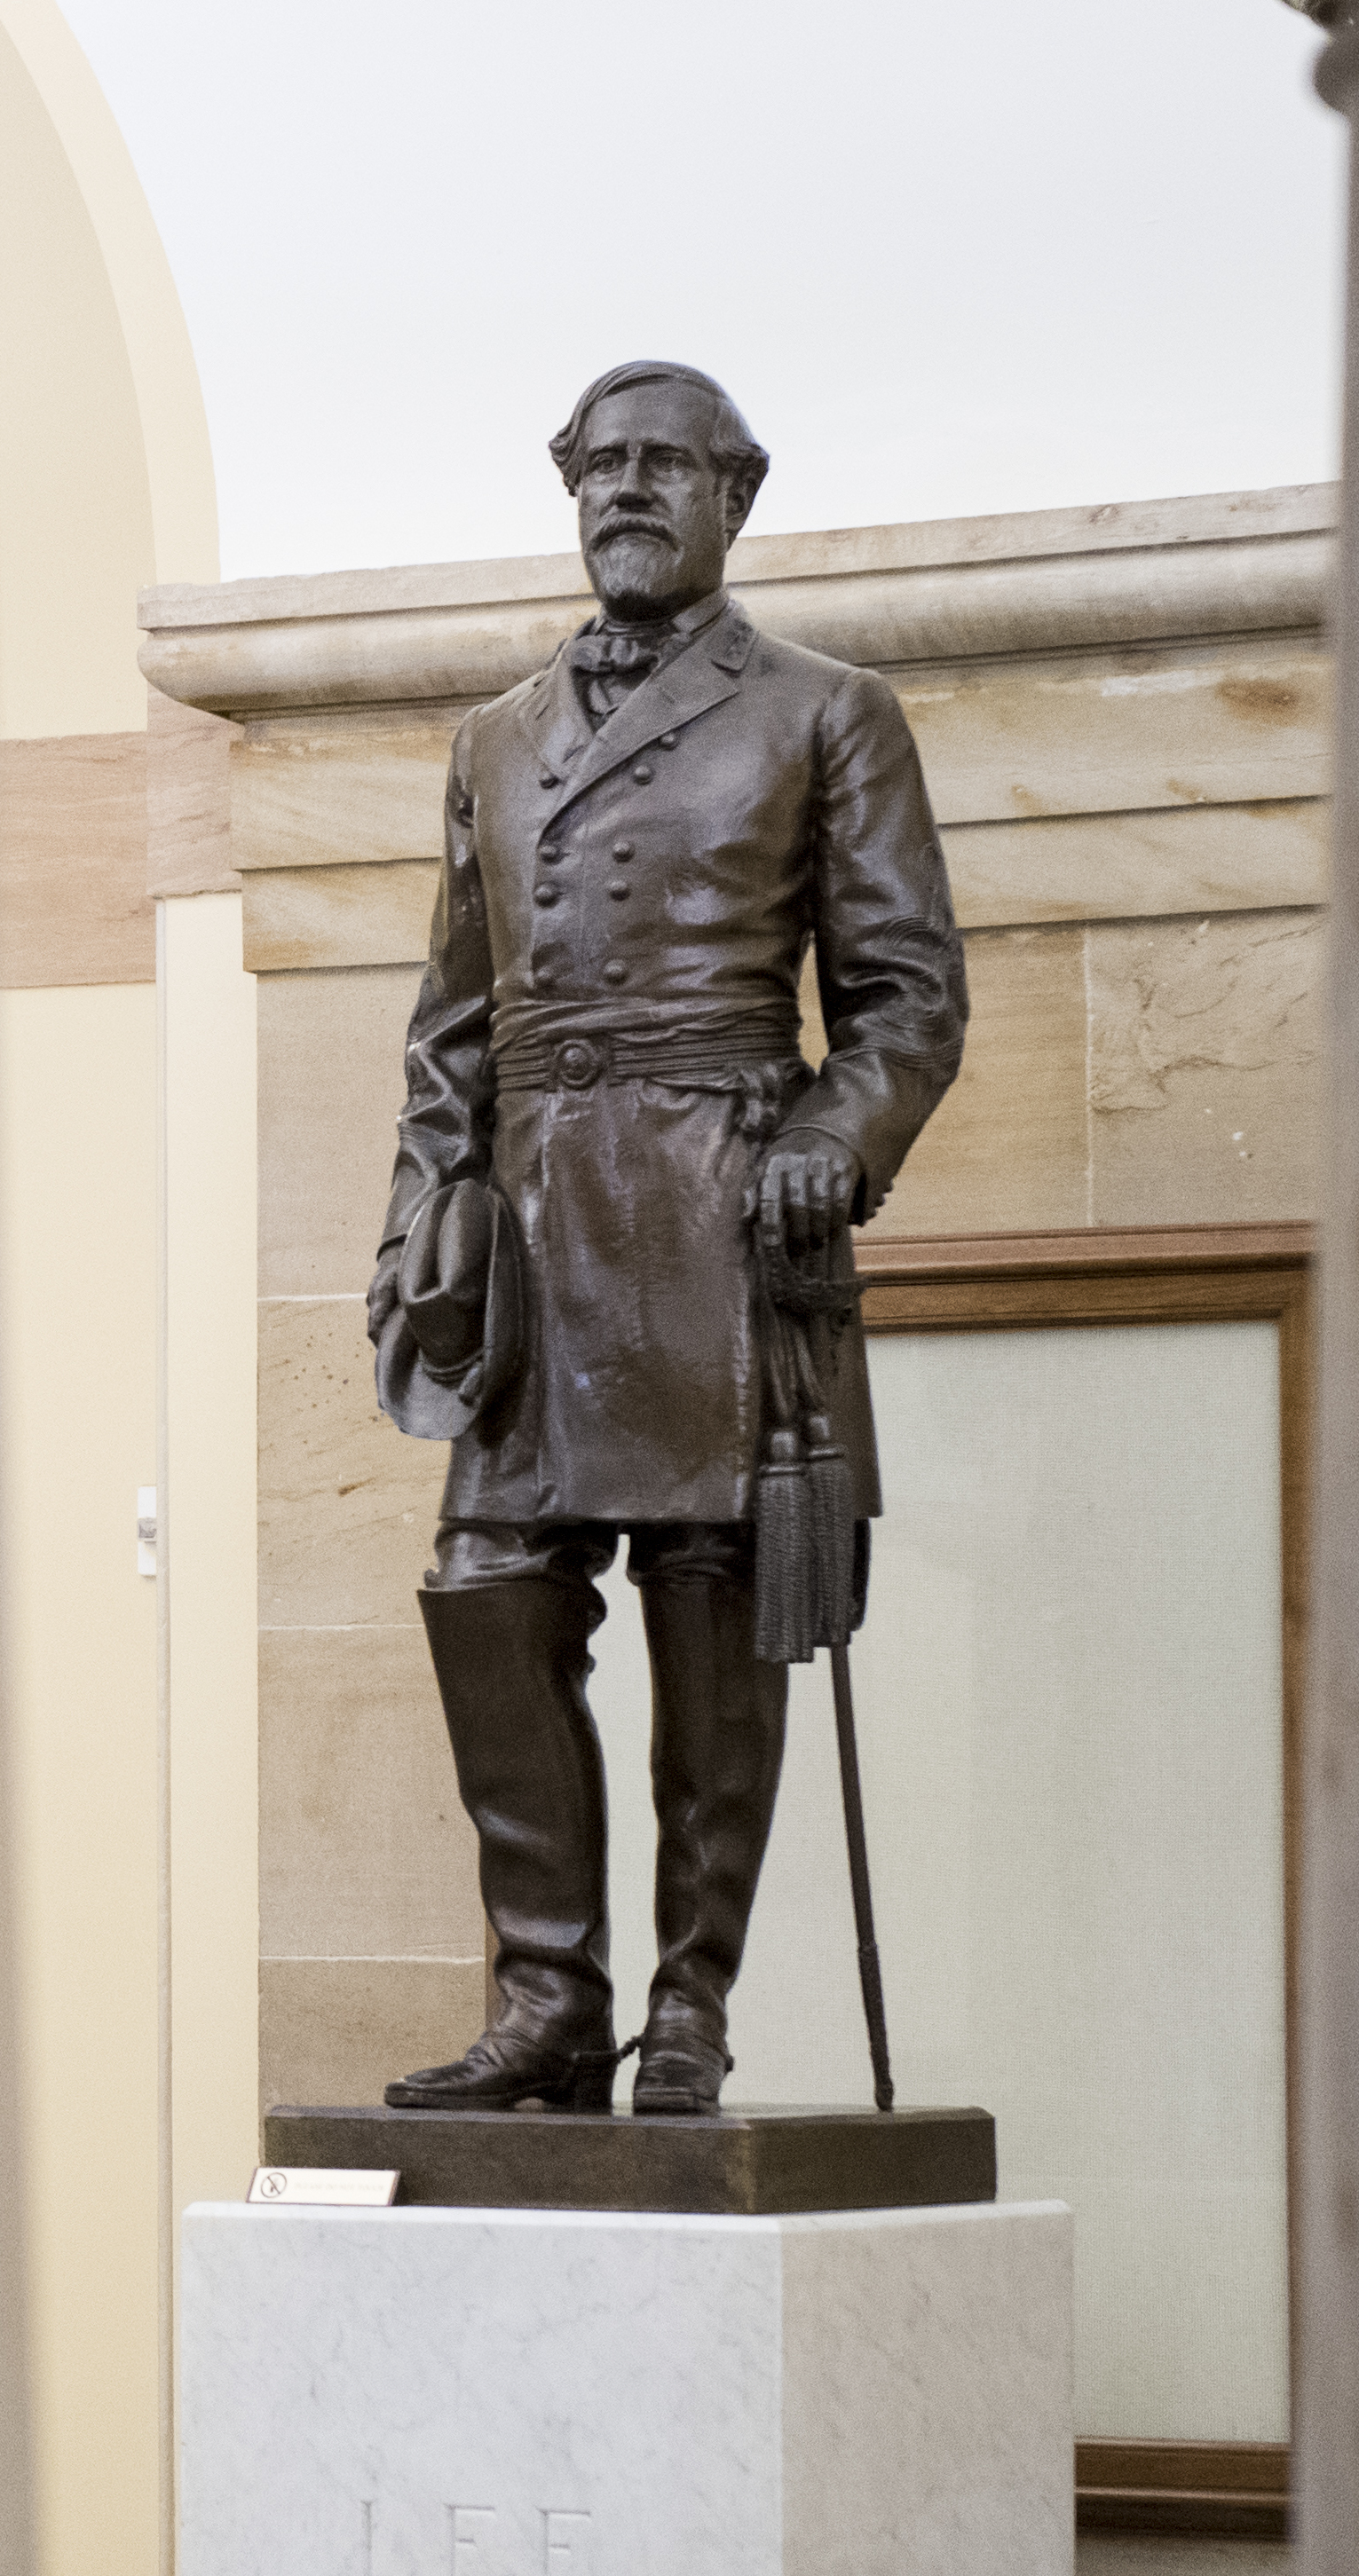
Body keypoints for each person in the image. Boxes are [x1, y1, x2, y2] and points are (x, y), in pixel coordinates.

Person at [367, 360, 968, 2117]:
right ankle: (550, 1998)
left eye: (663, 464)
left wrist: (833, 1137)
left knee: (714, 1603)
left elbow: (904, 1005)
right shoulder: (492, 737)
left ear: (735, 492)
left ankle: (690, 2005)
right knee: (488, 1588)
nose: (626, 490)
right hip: (540, 1225)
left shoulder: (822, 711)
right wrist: (423, 1228)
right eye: (599, 464)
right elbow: (447, 1031)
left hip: (718, 1205)